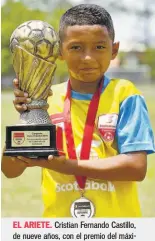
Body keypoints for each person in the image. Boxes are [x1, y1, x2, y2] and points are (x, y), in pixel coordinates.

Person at [2, 4, 155, 217]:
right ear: (59, 52)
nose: (88, 58)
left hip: (116, 230)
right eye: (76, 48)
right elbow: (10, 170)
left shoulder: (125, 95)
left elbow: (136, 167)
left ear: (114, 50)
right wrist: (27, 116)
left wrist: (69, 166)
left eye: (99, 47)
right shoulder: (46, 99)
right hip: (61, 228)